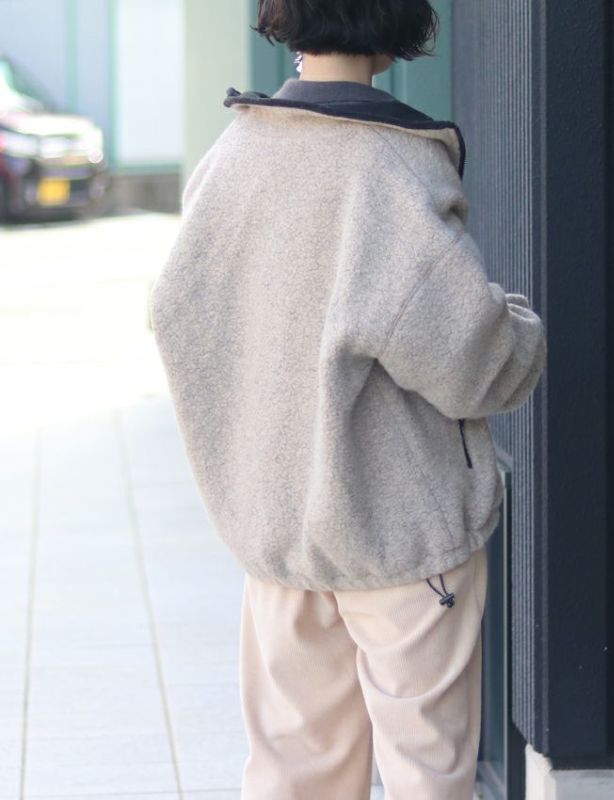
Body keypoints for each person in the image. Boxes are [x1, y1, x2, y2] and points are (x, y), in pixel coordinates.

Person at [148, 1, 547, 797]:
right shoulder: (385, 168)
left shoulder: (236, 154)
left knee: (297, 776)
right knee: (427, 776)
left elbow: (175, 313)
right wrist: (519, 326)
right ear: (396, 23)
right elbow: (478, 361)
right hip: (401, 539)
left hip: (283, 540)